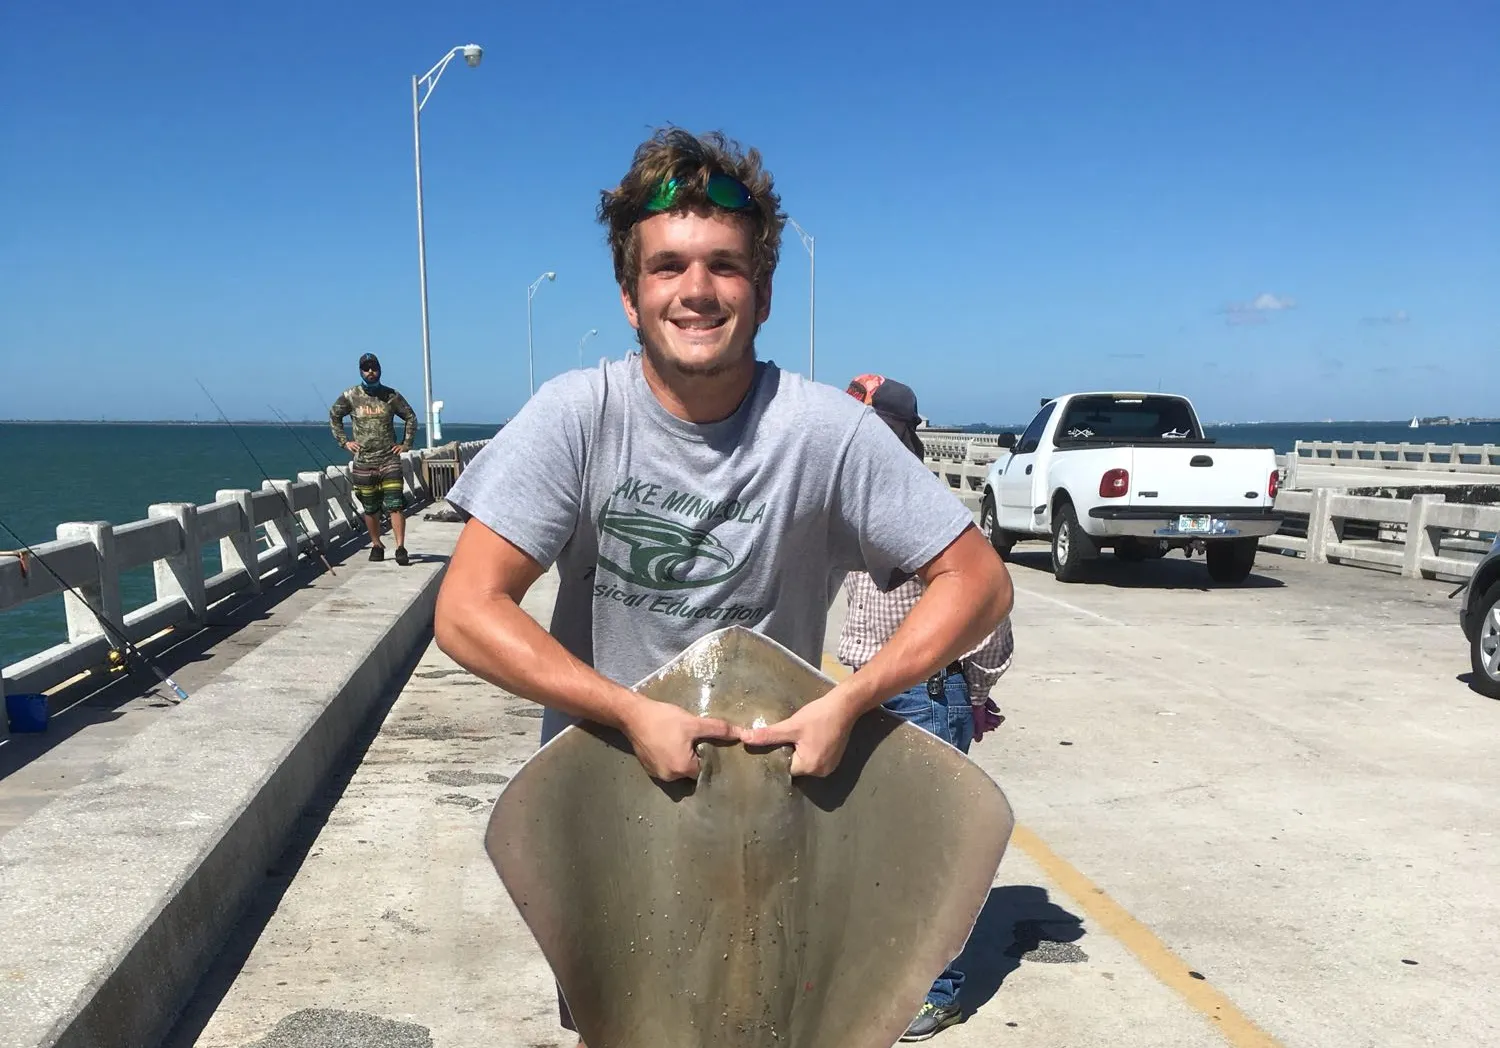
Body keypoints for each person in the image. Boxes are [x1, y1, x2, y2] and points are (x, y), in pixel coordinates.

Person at [432, 126, 1015, 1045]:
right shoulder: (577, 420)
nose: (695, 291)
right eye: (667, 268)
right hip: (620, 804)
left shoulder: (826, 432)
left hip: (795, 811)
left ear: (764, 291)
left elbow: (977, 582)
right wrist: (624, 712)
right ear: (630, 296)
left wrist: (853, 699)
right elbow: (465, 611)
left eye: (724, 267)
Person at [838, 372, 1014, 1041]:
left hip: (924, 698)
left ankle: (938, 990)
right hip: (865, 696)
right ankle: (889, 977)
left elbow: (989, 617)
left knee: (928, 855)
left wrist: (971, 694)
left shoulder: (930, 516)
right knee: (879, 851)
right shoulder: (855, 509)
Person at [328, 352, 419, 565]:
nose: (371, 372)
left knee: (395, 503)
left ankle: (400, 547)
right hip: (364, 460)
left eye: (374, 368)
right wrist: (345, 442)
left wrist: (406, 444)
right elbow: (334, 415)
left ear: (380, 369)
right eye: (366, 368)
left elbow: (410, 417)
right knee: (370, 506)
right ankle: (376, 544)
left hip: (389, 458)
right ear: (360, 371)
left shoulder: (391, 395)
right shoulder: (351, 395)